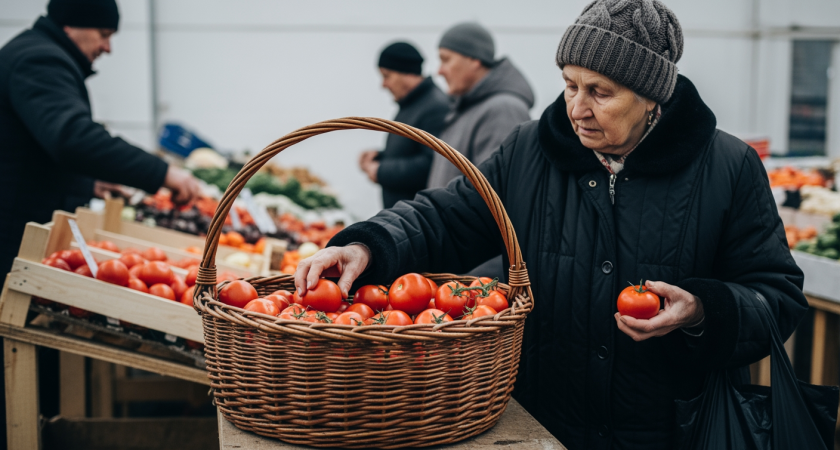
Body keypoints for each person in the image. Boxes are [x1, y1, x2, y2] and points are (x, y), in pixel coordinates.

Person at [294, 1, 808, 448]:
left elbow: (776, 297)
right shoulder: (530, 151)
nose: (577, 109)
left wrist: (701, 309)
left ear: (652, 96)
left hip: (674, 429)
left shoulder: (728, 167)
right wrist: (368, 245)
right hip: (541, 424)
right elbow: (447, 216)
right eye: (569, 85)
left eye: (600, 92)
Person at [0, 0, 202, 277]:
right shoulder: (39, 61)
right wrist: (163, 173)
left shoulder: (35, 52)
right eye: (104, 35)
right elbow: (72, 138)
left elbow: (31, 151)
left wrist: (87, 183)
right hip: (11, 227)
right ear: (71, 24)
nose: (108, 48)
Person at [426, 22, 534, 190]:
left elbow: (495, 192)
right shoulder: (469, 107)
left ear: (474, 60)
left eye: (446, 59)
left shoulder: (503, 110)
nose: (439, 71)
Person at [358, 42, 449, 209]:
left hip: (417, 220)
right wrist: (380, 156)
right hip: (404, 216)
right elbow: (410, 150)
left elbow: (432, 164)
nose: (383, 85)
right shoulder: (412, 103)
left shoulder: (436, 107)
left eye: (387, 76)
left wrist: (380, 170)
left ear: (407, 73)